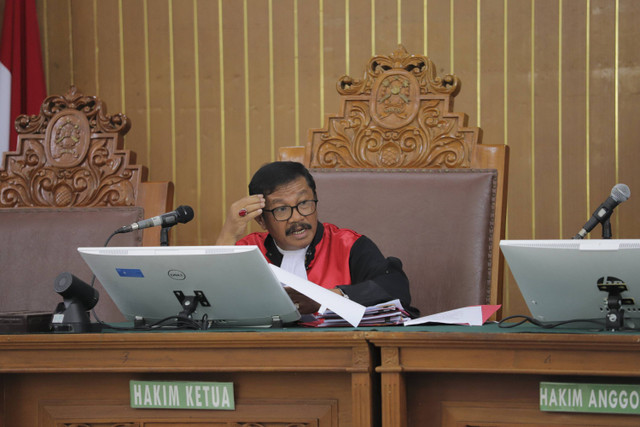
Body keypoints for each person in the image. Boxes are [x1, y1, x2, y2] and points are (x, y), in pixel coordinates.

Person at [216, 161, 417, 317]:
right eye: (282, 209)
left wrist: (328, 298)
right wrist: (228, 235)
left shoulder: (347, 245)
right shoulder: (248, 251)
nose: (297, 217)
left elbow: (394, 287)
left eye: (304, 203)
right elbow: (210, 299)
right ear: (261, 219)